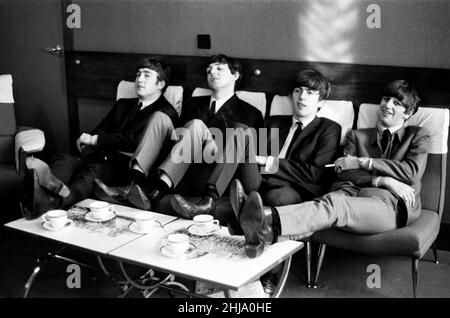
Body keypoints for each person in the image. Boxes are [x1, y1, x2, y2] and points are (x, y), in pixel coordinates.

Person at [231, 79, 428, 259]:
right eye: (386, 99)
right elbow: (343, 171)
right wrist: (381, 179)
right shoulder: (357, 136)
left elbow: (410, 172)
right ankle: (263, 235)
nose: (387, 105)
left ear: (408, 113)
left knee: (335, 205)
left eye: (397, 103)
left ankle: (263, 216)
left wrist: (364, 162)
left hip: (389, 203)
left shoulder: (417, 135)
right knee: (327, 204)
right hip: (349, 192)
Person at [95, 54, 264, 213]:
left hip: (216, 170)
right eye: (209, 70)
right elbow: (177, 136)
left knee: (197, 125)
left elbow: (247, 155)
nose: (212, 72)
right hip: (185, 168)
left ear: (235, 75)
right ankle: (131, 183)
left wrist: (206, 140)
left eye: (219, 68)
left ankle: (158, 190)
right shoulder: (193, 103)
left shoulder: (251, 112)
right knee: (160, 117)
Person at [171, 69, 341, 222]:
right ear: (291, 97)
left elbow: (313, 173)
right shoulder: (274, 122)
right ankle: (209, 199)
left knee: (275, 197)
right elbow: (250, 155)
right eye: (298, 91)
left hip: (293, 187)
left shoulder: (329, 128)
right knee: (241, 130)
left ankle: (242, 206)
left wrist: (266, 160)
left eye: (310, 93)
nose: (302, 97)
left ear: (321, 102)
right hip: (258, 179)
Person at [21, 58, 179, 219]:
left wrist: (96, 140)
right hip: (102, 153)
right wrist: (92, 140)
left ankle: (52, 202)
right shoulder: (123, 104)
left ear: (161, 84)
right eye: (138, 75)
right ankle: (45, 192)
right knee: (64, 160)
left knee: (92, 172)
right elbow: (100, 128)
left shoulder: (166, 112)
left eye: (146, 75)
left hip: (127, 163)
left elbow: (136, 141)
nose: (139, 79)